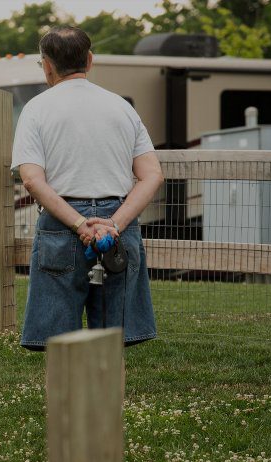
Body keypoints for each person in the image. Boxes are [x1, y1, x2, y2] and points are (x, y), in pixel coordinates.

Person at [11, 26, 164, 351]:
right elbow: (152, 175)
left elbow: (32, 180)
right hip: (118, 227)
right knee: (111, 343)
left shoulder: (36, 110)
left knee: (58, 344)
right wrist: (114, 224)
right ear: (90, 60)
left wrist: (81, 225)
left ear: (47, 65)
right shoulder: (122, 108)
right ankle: (108, 403)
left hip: (60, 226)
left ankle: (63, 404)